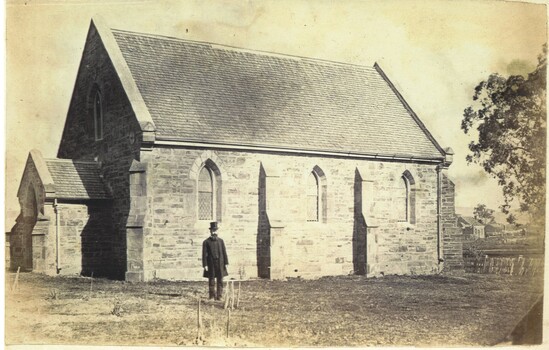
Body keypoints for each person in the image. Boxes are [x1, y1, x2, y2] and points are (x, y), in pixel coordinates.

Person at [202, 221, 228, 300]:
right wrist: (205, 264)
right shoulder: (206, 242)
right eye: (213, 230)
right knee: (212, 280)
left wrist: (226, 262)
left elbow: (224, 252)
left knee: (220, 280)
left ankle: (219, 296)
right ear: (210, 231)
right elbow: (204, 254)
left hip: (220, 263)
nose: (214, 232)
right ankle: (212, 296)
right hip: (211, 264)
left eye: (215, 230)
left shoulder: (221, 241)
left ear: (217, 231)